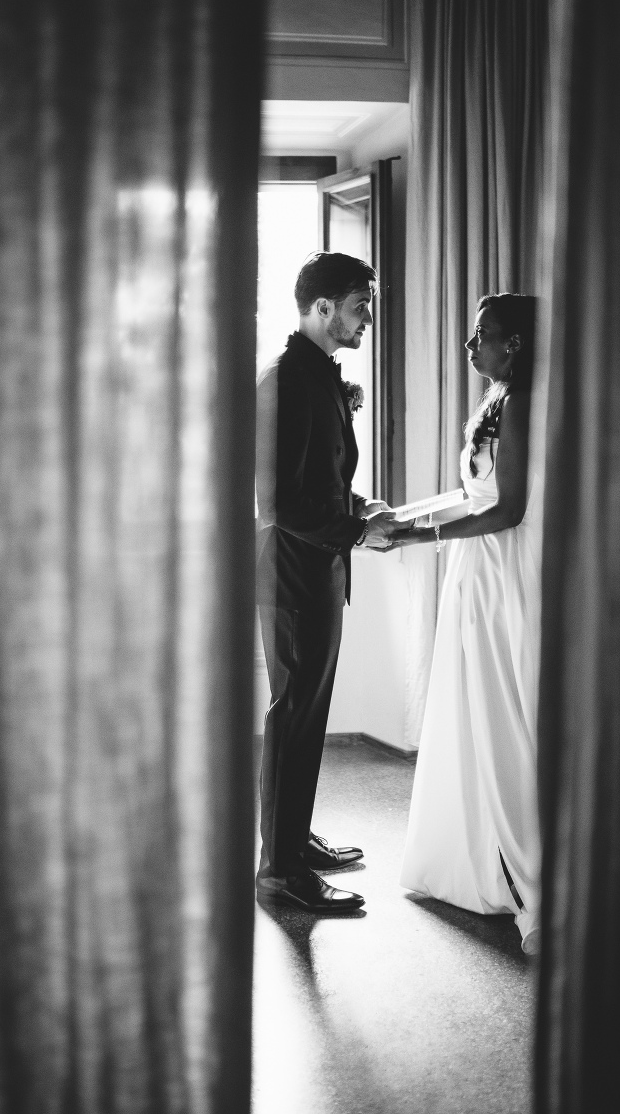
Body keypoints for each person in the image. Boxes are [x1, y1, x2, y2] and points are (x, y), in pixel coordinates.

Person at [255, 251, 409, 914]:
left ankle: (293, 839)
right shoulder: (286, 381)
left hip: (317, 571)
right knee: (293, 715)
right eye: (359, 306)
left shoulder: (318, 375)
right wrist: (356, 533)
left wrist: (361, 508)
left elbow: (317, 478)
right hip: (292, 576)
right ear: (322, 309)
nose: (367, 318)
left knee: (307, 714)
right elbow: (275, 503)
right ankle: (281, 869)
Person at [392, 293, 542, 953]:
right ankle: (487, 862)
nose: (469, 345)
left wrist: (421, 537)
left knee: (503, 715)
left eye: (482, 335)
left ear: (514, 344)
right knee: (473, 713)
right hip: (473, 569)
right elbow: (469, 494)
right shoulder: (496, 399)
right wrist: (404, 519)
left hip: (503, 570)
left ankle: (535, 884)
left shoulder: (523, 402)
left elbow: (507, 509)